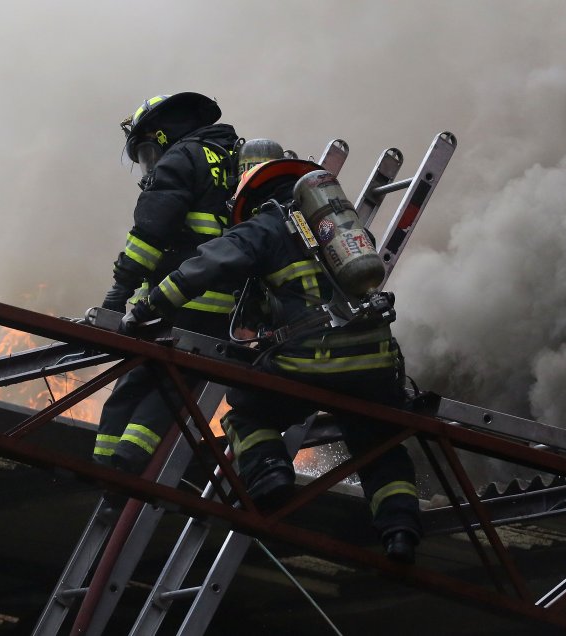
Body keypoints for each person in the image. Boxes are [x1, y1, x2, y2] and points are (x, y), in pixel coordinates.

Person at [123, 160, 422, 563]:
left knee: (247, 414)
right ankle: (400, 530)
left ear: (252, 198)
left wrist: (149, 306)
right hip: (376, 362)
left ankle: (270, 480)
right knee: (378, 442)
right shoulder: (343, 231)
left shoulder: (264, 227)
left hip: (309, 360)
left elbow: (207, 265)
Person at [93, 92, 240, 477]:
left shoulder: (180, 157)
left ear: (162, 134)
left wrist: (118, 293)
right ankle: (121, 462)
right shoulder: (233, 161)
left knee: (138, 380)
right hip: (221, 309)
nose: (147, 166)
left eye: (145, 152)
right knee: (172, 390)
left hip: (172, 299)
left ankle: (111, 464)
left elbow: (150, 232)